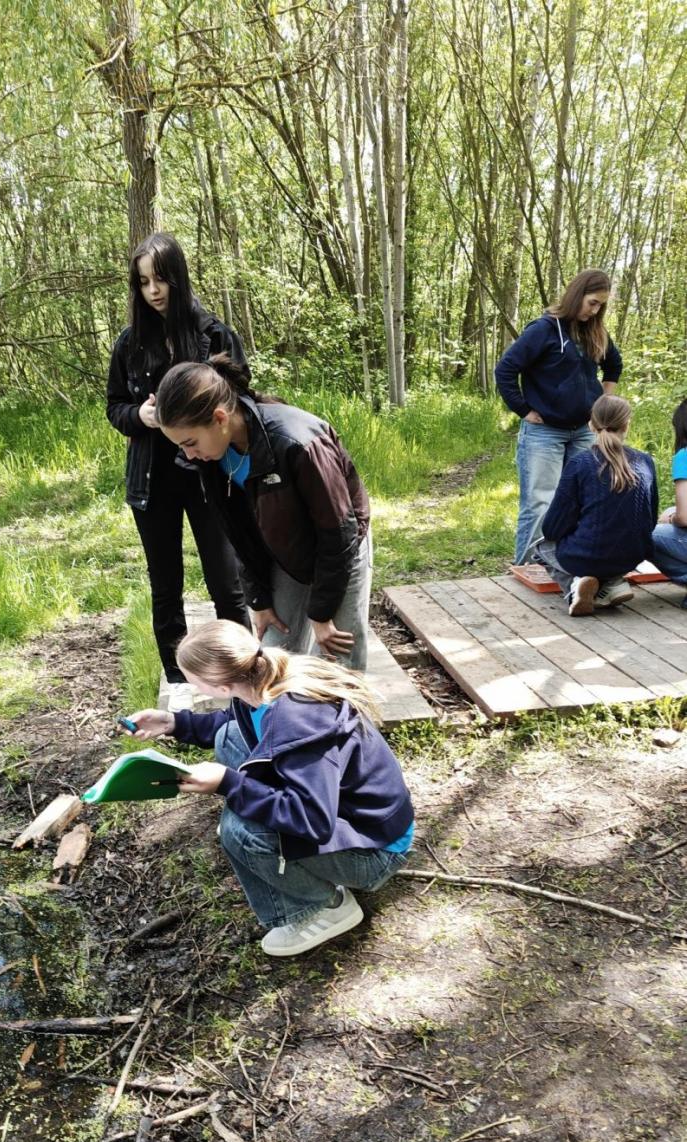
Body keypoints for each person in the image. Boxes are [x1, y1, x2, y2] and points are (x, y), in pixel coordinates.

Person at [127, 620, 414, 957]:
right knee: (229, 737)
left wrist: (228, 783)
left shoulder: (300, 721)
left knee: (241, 832)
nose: (190, 684)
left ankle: (326, 908)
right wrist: (173, 723)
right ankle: (283, 854)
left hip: (376, 852)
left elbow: (313, 822)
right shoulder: (263, 681)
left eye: (192, 680)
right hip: (350, 819)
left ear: (220, 686)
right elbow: (236, 723)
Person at [106, 233, 251, 708]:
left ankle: (244, 672)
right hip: (152, 480)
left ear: (179, 277)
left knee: (226, 578)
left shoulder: (213, 334)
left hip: (210, 473)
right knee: (164, 582)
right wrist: (141, 417)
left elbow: (240, 399)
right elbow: (114, 406)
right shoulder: (130, 343)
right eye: (144, 281)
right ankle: (181, 683)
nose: (154, 290)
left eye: (161, 278)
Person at [154, 356, 373, 670]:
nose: (188, 455)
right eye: (181, 447)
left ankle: (344, 718)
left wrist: (321, 612)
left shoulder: (297, 442)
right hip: (284, 550)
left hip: (340, 549)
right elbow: (239, 533)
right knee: (271, 657)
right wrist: (259, 600)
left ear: (219, 417)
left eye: (190, 442)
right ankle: (279, 719)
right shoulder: (211, 458)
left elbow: (339, 532)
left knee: (337, 660)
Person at [495, 269, 624, 564]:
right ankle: (527, 568)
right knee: (540, 502)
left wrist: (603, 402)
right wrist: (524, 410)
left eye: (601, 306)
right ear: (577, 294)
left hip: (584, 431)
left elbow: (614, 365)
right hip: (545, 433)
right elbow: (505, 370)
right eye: (592, 303)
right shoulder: (543, 330)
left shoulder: (595, 331)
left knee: (582, 500)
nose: (595, 311)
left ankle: (566, 566)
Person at [534, 395, 658, 616]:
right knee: (607, 544)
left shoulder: (580, 463)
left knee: (540, 548)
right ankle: (611, 584)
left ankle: (576, 588)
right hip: (633, 555)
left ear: (591, 424)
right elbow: (651, 518)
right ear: (627, 424)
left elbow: (553, 527)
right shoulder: (645, 461)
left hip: (586, 556)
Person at [651, 398, 687, 609]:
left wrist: (671, 519)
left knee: (648, 534)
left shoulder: (684, 456)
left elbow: (684, 517)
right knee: (669, 511)